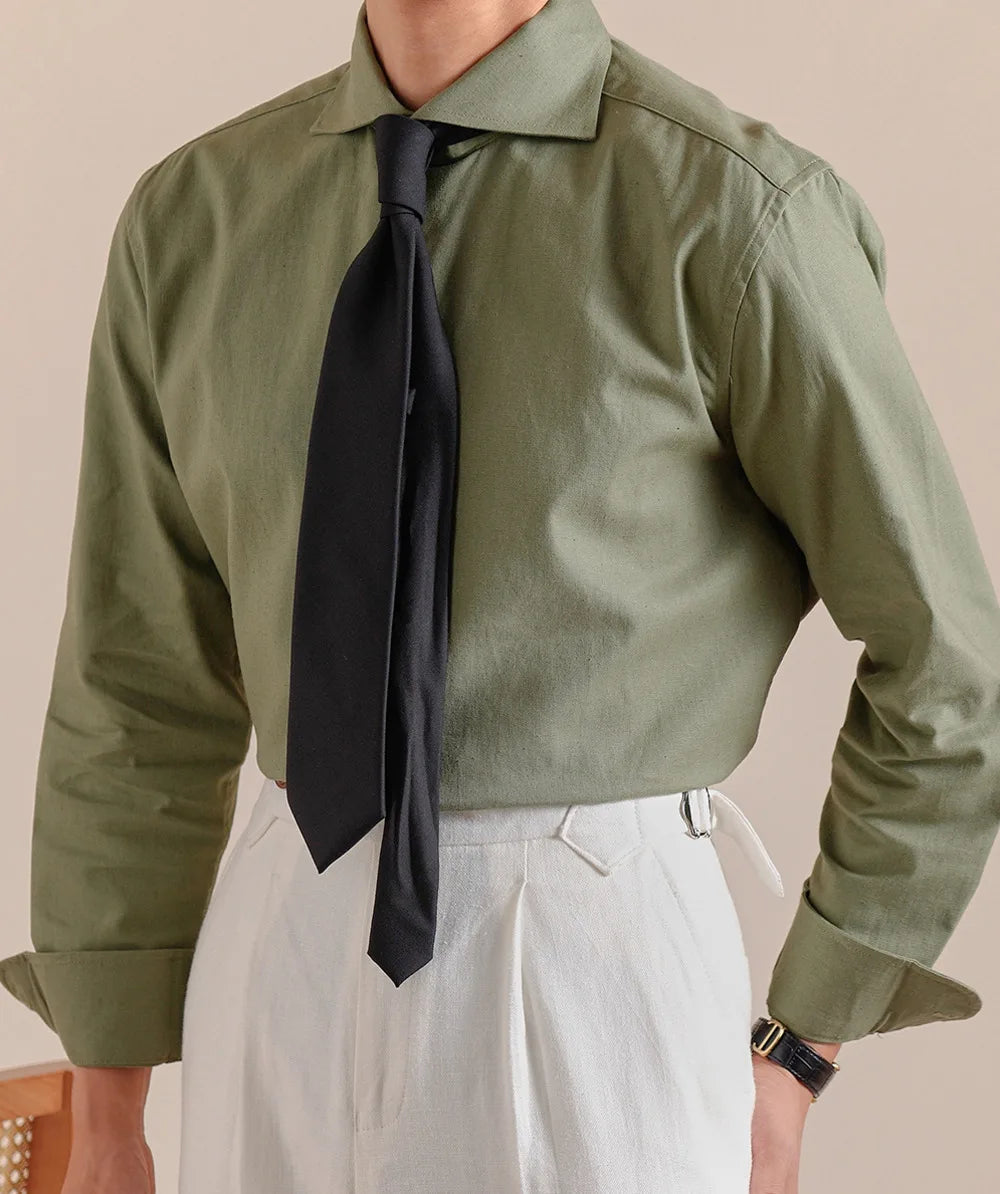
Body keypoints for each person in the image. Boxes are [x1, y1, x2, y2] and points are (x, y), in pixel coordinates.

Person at [3, 0, 999, 1190]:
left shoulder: (732, 211)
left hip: (592, 955)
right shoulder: (192, 217)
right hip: (275, 942)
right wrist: (108, 1107)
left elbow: (947, 658)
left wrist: (798, 1052)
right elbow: (136, 681)